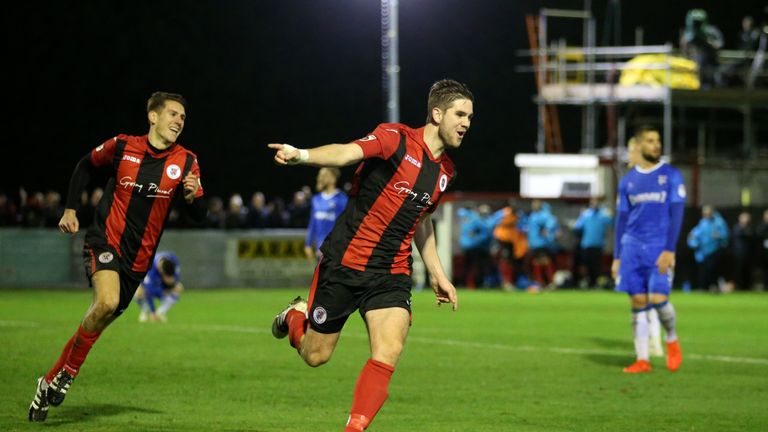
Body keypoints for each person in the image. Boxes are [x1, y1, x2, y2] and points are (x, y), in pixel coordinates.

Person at [268, 78, 470, 431]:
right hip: (345, 262)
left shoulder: (445, 172)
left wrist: (438, 273)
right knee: (316, 355)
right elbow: (346, 152)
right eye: (460, 114)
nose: (466, 123)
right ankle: (294, 316)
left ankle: (354, 428)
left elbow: (422, 221)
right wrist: (301, 155)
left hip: (390, 273)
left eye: (470, 116)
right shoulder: (396, 139)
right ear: (437, 114)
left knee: (389, 350)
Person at [28, 92, 205, 422]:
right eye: (173, 113)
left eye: (183, 116)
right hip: (105, 241)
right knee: (106, 303)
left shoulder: (187, 162)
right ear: (152, 117)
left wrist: (193, 198)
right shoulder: (123, 146)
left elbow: (200, 214)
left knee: (98, 321)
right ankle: (67, 375)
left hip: (139, 262)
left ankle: (51, 379)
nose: (179, 120)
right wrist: (70, 209)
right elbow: (85, 165)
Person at [611, 125, 685, 374]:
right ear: (640, 145)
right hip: (632, 248)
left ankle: (671, 338)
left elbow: (677, 214)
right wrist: (617, 257)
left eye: (658, 141)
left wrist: (670, 249)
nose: (656, 145)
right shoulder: (628, 181)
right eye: (651, 141)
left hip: (658, 247)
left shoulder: (671, 175)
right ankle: (642, 359)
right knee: (638, 302)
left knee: (658, 300)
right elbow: (621, 220)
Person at [304, 167, 348, 263]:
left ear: (332, 179)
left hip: (336, 250)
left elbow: (344, 227)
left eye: (323, 176)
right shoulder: (316, 199)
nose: (319, 178)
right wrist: (307, 245)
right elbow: (313, 224)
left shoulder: (342, 200)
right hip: (319, 250)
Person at [573, 198, 614, 289]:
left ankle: (595, 282)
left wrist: (610, 215)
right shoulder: (586, 214)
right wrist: (580, 216)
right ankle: (589, 282)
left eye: (596, 203)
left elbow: (611, 222)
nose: (594, 205)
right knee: (587, 265)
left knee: (596, 265)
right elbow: (577, 227)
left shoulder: (603, 214)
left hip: (598, 244)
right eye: (593, 203)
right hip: (586, 244)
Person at [687, 205, 729, 292]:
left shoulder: (718, 222)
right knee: (703, 271)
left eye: (708, 213)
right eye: (704, 213)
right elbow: (694, 235)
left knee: (713, 270)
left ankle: (714, 286)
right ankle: (703, 287)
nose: (706, 214)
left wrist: (719, 236)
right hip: (702, 251)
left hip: (714, 250)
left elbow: (725, 235)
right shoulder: (702, 223)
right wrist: (693, 243)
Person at [134, 251, 184, 322]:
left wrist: (173, 282)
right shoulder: (151, 267)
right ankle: (145, 312)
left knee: (179, 287)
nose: (169, 279)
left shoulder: (173, 259)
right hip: (150, 289)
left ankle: (160, 312)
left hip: (163, 289)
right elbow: (149, 291)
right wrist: (152, 311)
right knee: (138, 290)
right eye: (167, 277)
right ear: (161, 272)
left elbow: (176, 276)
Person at [731, 211, 756, 290]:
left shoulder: (751, 228)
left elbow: (753, 236)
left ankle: (747, 286)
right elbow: (740, 235)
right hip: (739, 253)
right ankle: (739, 286)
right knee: (739, 270)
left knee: (748, 271)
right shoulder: (737, 227)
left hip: (749, 253)